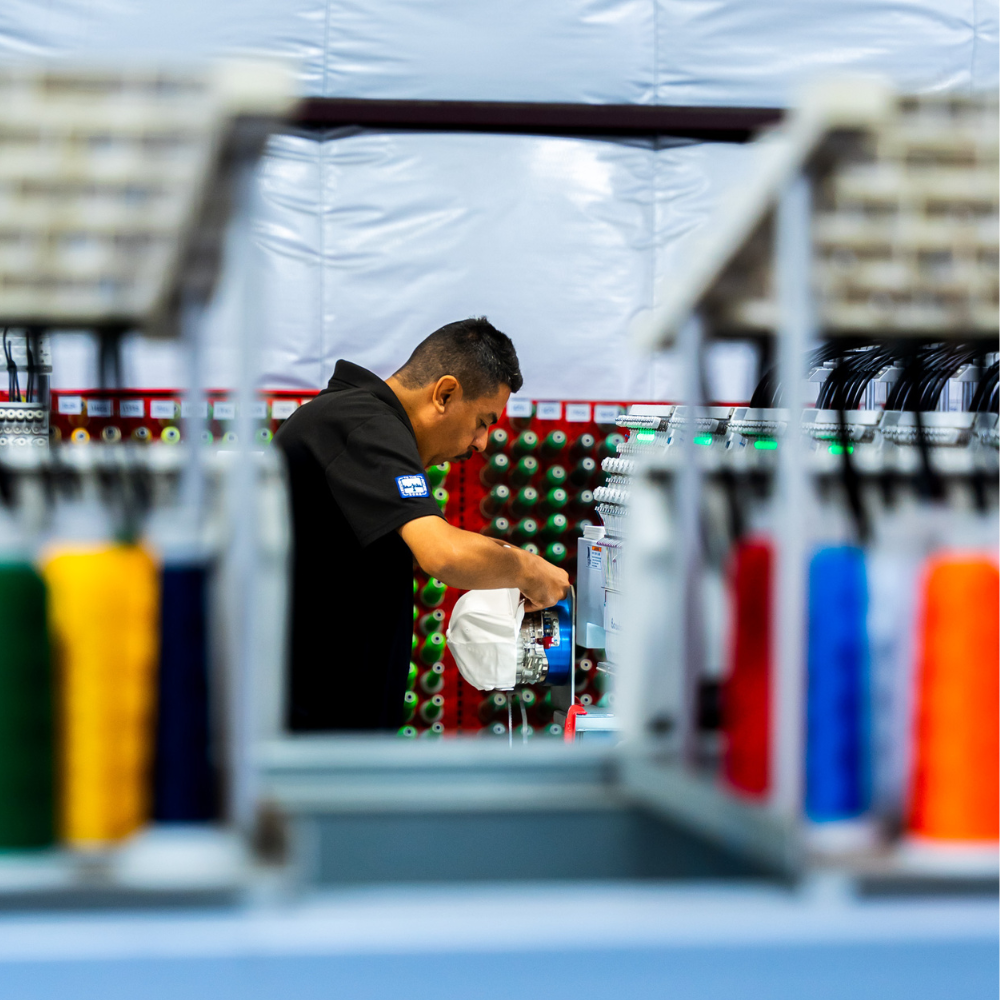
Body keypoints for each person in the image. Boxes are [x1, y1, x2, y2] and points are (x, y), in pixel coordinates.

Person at [275, 317, 570, 731]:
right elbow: (443, 554)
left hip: (334, 728)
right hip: (317, 731)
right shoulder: (362, 424)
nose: (482, 443)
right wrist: (528, 570)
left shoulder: (359, 423)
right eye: (483, 421)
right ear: (445, 393)